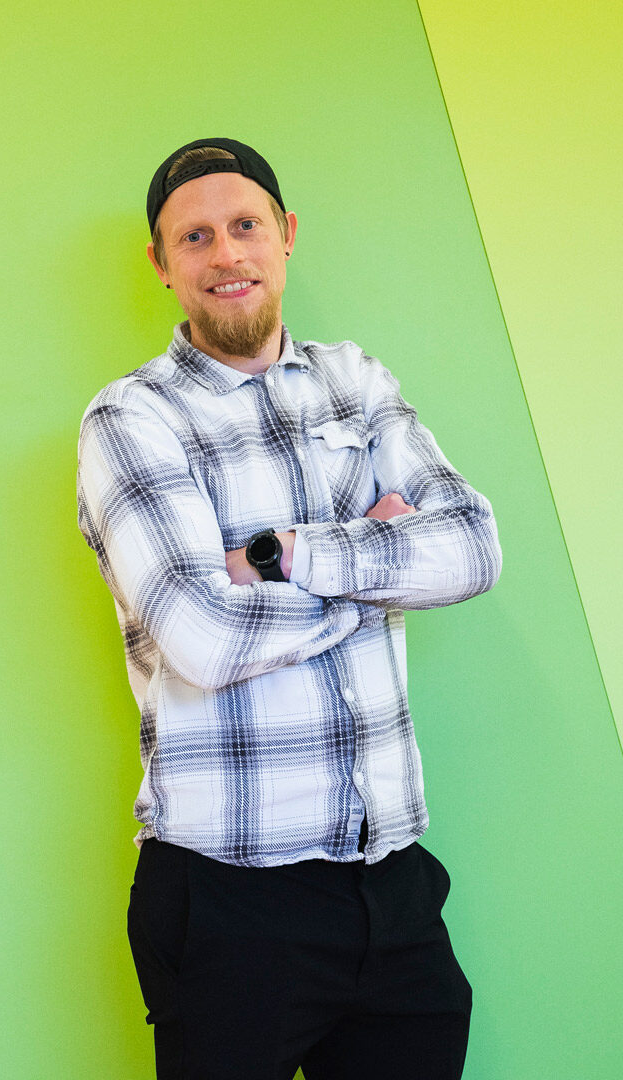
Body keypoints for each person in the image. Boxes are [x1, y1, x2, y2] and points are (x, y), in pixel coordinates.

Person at [76, 138, 503, 1079]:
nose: (225, 254)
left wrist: (278, 556)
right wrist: (379, 561)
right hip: (232, 901)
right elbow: (201, 635)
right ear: (162, 264)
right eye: (195, 237)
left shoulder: (354, 380)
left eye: (245, 226)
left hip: (392, 885)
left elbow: (472, 547)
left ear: (286, 235)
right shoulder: (131, 419)